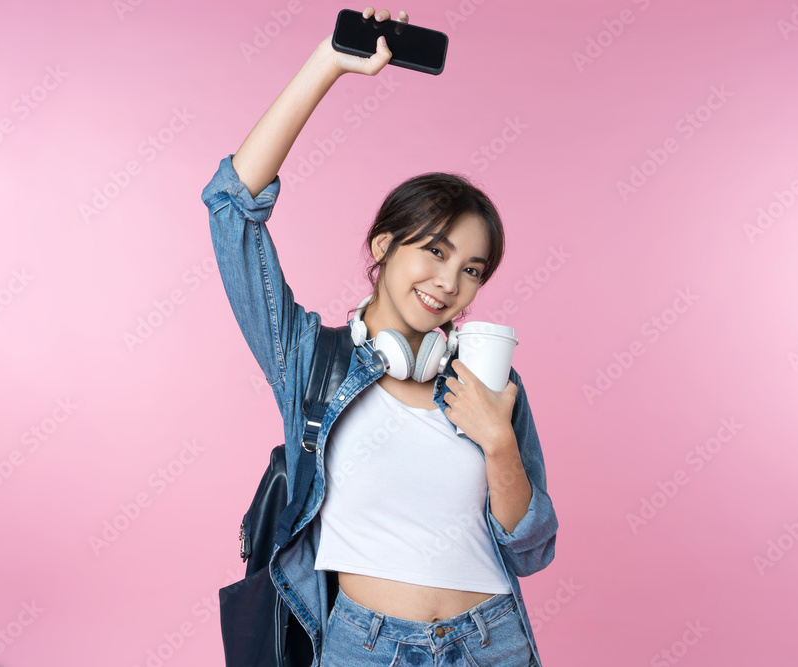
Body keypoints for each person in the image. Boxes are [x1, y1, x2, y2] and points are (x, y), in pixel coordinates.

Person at [201, 7, 557, 665]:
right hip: (366, 646)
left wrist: (499, 439)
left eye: (471, 269)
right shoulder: (311, 361)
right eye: (437, 251)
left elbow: (531, 548)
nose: (450, 281)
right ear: (384, 245)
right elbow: (232, 209)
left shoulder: (489, 387)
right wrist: (329, 63)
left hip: (491, 640)